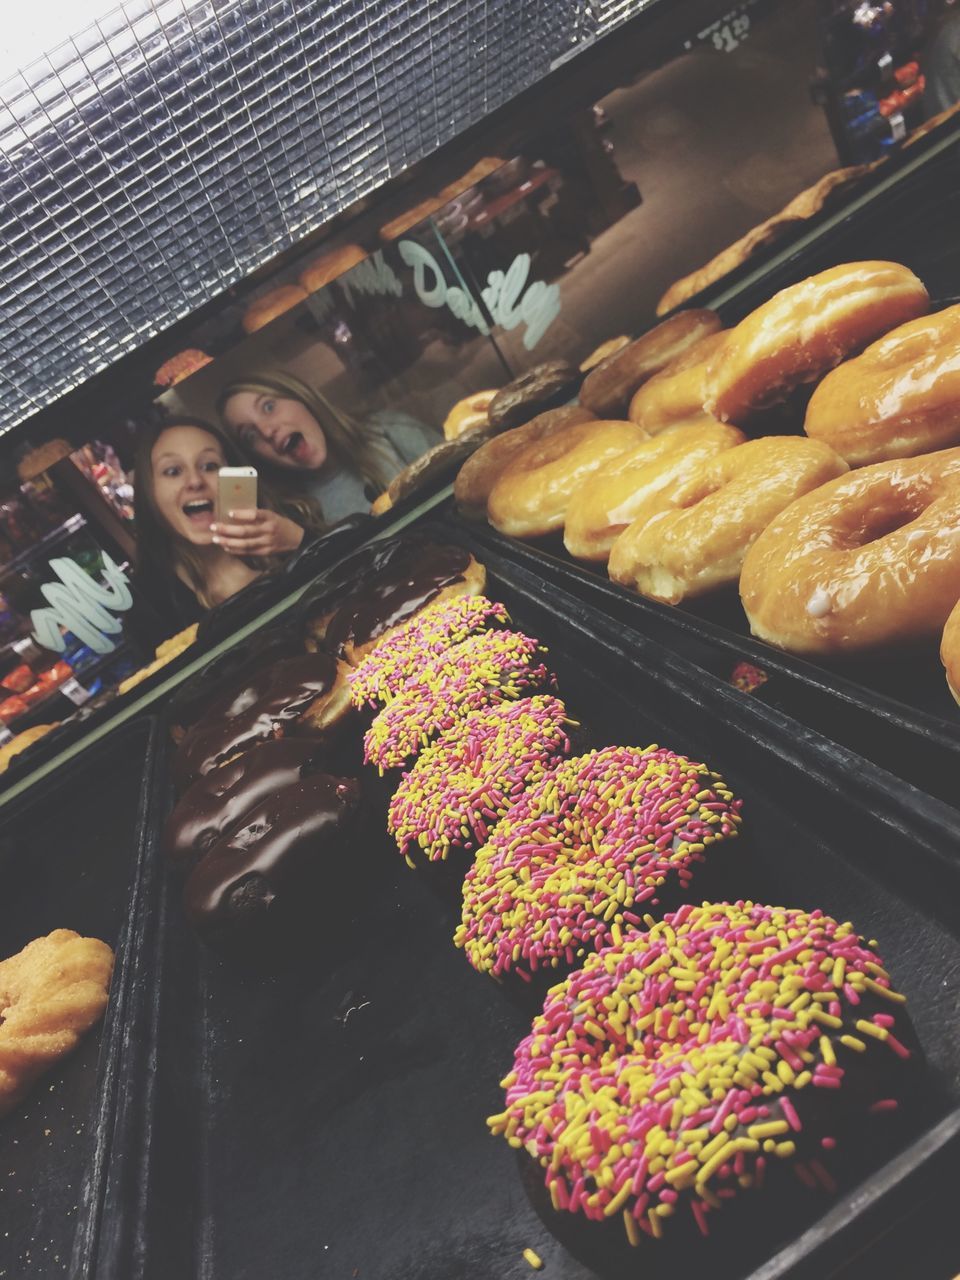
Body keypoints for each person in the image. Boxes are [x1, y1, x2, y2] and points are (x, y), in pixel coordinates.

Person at [131, 417, 321, 628]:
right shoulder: (150, 611)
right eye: (173, 471)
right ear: (150, 493)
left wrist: (300, 542)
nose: (195, 481)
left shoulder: (292, 526)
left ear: (236, 477)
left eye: (210, 466)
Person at [217, 371, 440, 523]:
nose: (267, 431)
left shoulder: (390, 431)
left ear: (300, 396)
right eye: (250, 435)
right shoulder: (297, 518)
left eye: (268, 407)